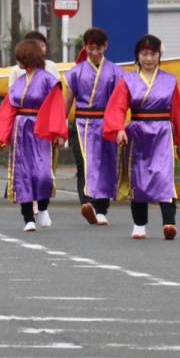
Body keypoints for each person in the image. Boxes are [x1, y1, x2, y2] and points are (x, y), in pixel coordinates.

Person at [103, 34, 180, 240]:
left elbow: (177, 111)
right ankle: (139, 224)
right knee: (139, 179)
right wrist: (119, 129)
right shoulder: (128, 80)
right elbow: (117, 107)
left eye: (153, 53)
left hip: (162, 132)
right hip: (137, 134)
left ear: (159, 55)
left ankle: (169, 223)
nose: (149, 58)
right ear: (138, 56)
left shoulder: (170, 81)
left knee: (164, 177)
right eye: (144, 54)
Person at [0, 38, 68, 232]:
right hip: (20, 129)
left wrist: (58, 132)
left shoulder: (48, 79)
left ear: (29, 57)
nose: (18, 62)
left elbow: (57, 107)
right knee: (22, 173)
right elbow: (9, 108)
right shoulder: (19, 81)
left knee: (42, 172)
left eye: (21, 57)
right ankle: (28, 218)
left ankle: (42, 207)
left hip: (40, 128)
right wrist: (3, 134)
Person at [63, 27, 122, 226]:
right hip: (81, 125)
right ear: (85, 47)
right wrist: (61, 126)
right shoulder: (75, 72)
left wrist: (120, 126)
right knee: (84, 166)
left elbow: (119, 103)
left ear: (105, 47)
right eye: (90, 48)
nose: (94, 52)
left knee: (106, 165)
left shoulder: (115, 72)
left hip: (106, 123)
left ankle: (102, 208)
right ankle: (87, 204)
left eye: (98, 48)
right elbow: (68, 101)